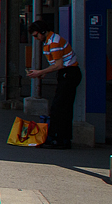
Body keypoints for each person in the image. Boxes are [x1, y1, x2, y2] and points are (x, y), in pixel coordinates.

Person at [25, 20, 81, 149]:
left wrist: (41, 72)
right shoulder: (51, 40)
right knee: (64, 107)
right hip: (68, 73)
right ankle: (62, 138)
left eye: (36, 35)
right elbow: (57, 65)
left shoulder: (54, 42)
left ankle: (58, 138)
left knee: (59, 108)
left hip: (68, 73)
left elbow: (59, 65)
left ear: (42, 31)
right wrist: (43, 73)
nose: (36, 38)